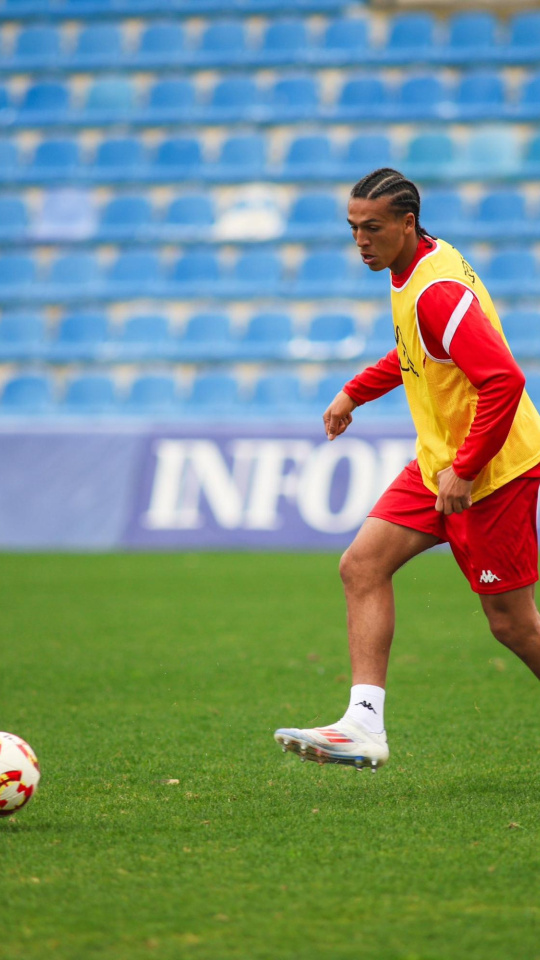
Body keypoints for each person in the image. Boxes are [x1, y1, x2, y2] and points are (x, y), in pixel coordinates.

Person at [274, 167, 540, 772]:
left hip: (493, 472)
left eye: (372, 228)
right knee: (362, 565)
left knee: (513, 626)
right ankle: (363, 724)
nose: (361, 240)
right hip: (440, 463)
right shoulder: (416, 268)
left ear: (407, 223)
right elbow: (418, 350)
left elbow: (504, 380)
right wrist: (355, 392)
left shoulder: (437, 290)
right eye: (352, 228)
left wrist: (467, 469)